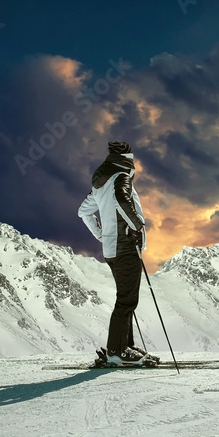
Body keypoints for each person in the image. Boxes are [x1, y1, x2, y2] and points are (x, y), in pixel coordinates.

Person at [78, 141, 158, 366]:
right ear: (128, 159)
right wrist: (138, 225)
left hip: (112, 250)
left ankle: (125, 346)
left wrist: (100, 234)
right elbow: (122, 199)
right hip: (125, 248)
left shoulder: (100, 184)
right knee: (126, 300)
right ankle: (116, 351)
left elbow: (83, 211)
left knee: (126, 298)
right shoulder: (121, 177)